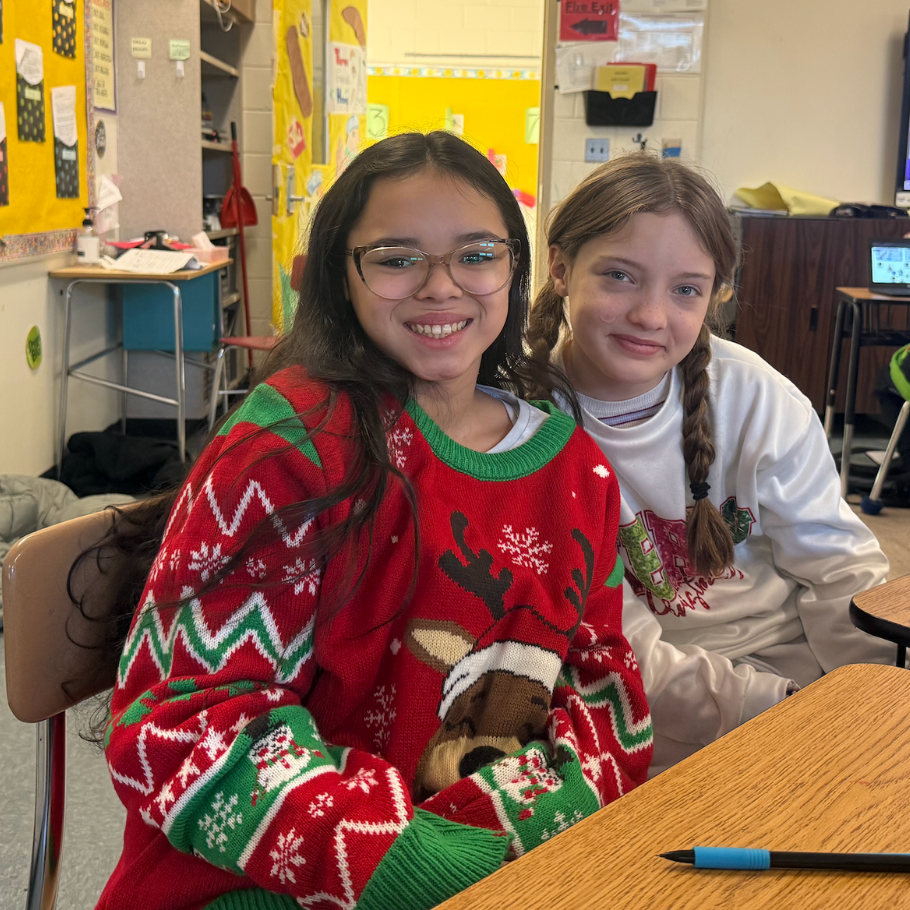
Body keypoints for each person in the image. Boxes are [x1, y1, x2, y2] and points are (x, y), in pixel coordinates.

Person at [95, 132, 652, 910]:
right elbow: (180, 727)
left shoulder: (575, 469)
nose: (441, 287)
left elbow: (603, 698)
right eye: (395, 258)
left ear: (516, 270)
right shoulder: (286, 446)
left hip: (495, 866)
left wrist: (507, 835)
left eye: (477, 254)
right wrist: (409, 859)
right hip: (255, 884)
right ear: (342, 276)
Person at [526, 152, 894, 774]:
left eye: (686, 290)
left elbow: (840, 573)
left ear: (714, 295)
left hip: (800, 673)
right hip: (638, 703)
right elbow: (614, 644)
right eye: (619, 276)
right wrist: (771, 709)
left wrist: (870, 702)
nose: (651, 315)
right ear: (560, 267)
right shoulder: (523, 427)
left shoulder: (757, 397)